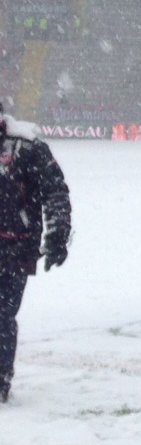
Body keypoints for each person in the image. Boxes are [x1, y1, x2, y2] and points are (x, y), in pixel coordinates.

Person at [0, 110, 71, 403]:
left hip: (15, 248)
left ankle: (1, 378)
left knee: (3, 316)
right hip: (15, 244)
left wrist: (57, 236)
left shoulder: (27, 146)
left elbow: (55, 192)